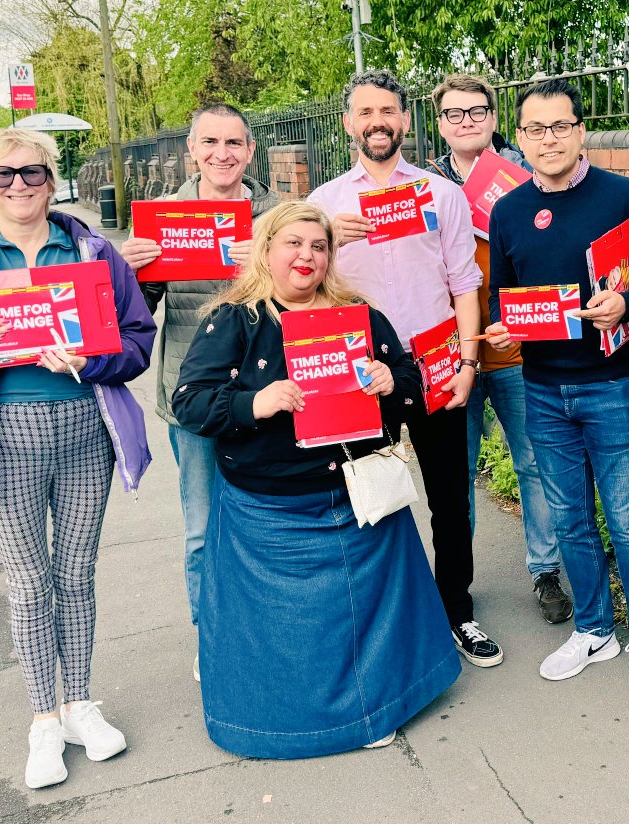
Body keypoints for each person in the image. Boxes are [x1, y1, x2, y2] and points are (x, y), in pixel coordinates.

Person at [0, 128, 156, 789]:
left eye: (31, 173)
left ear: (53, 179)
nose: (18, 185)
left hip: (85, 430)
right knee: (29, 583)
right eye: (2, 175)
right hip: (4, 440)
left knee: (75, 575)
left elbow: (137, 341)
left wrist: (93, 358)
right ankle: (43, 718)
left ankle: (78, 704)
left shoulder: (94, 252)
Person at [172, 201, 460, 758]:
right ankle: (282, 724)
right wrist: (256, 401)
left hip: (355, 495)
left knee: (366, 618)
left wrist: (387, 378)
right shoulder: (234, 320)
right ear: (268, 251)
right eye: (294, 244)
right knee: (292, 631)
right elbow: (190, 402)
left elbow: (409, 380)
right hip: (271, 508)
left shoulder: (359, 314)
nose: (307, 256)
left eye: (319, 246)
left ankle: (374, 710)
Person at [485, 78, 629, 698]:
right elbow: (505, 296)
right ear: (519, 138)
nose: (549, 139)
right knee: (570, 519)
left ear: (580, 129)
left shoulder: (625, 196)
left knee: (626, 518)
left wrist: (627, 301)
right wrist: (502, 326)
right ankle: (595, 629)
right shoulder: (509, 210)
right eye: (536, 129)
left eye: (560, 126)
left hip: (612, 385)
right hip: (541, 388)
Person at [308, 70, 504, 667]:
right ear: (348, 123)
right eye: (365, 111)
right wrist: (327, 240)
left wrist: (470, 362)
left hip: (436, 363)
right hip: (360, 374)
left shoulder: (439, 195)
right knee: (369, 498)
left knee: (450, 496)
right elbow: (303, 289)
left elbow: (465, 282)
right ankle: (382, 619)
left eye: (388, 111)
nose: (377, 122)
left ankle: (457, 611)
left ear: (405, 120)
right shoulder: (323, 205)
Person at [120, 104, 279, 681]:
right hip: (195, 395)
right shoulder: (162, 218)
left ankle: (267, 625)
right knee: (202, 524)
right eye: (210, 142)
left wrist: (265, 264)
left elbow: (312, 294)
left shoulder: (276, 215)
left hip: (272, 391)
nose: (222, 153)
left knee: (268, 517)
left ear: (251, 150)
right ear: (191, 149)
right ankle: (209, 635)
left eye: (234, 142)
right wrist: (133, 274)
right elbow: (136, 319)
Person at [428, 73, 571, 625]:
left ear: (493, 117)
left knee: (534, 463)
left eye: (477, 111)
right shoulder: (421, 185)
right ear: (440, 123)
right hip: (448, 350)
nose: (467, 121)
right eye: (455, 113)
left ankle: (546, 571)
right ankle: (456, 586)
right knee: (453, 474)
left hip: (516, 346)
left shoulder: (525, 177)